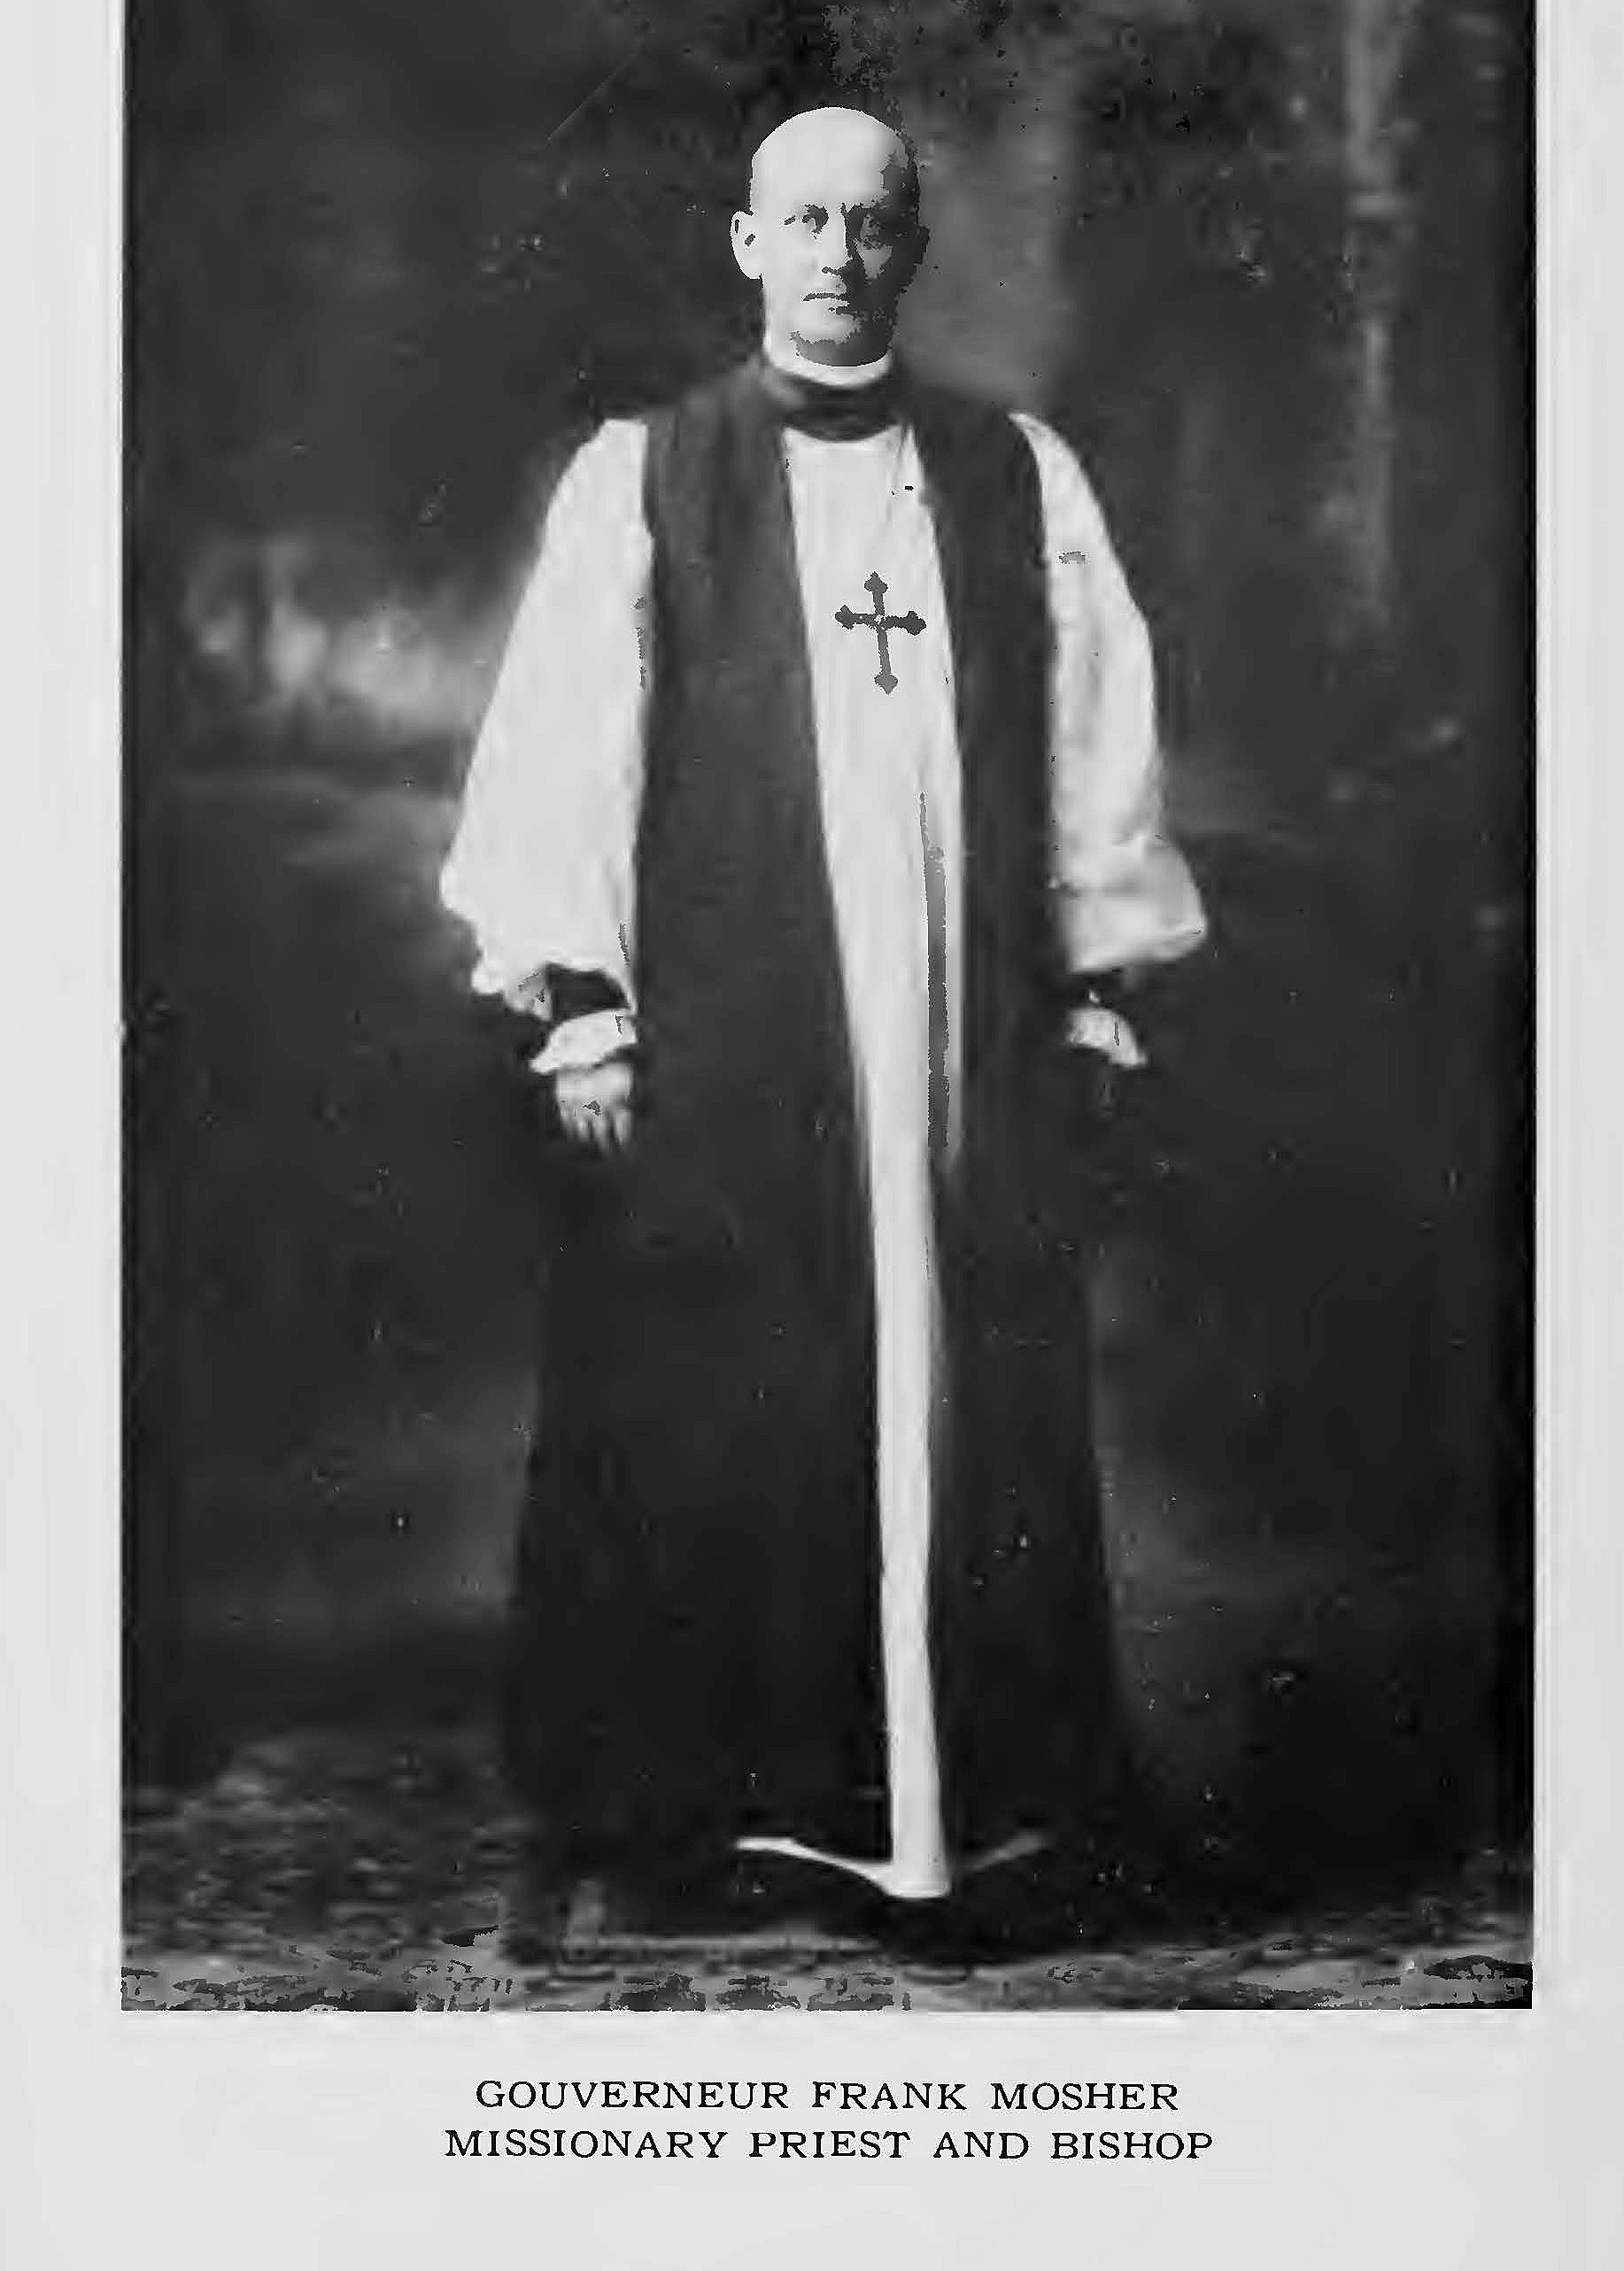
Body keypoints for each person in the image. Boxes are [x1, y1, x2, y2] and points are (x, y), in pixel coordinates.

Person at [439, 101, 1207, 1946]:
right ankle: (729, 1814)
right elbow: (565, 743)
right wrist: (586, 1004)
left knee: (965, 1398)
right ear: (747, 243)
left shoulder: (1017, 473)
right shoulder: (647, 475)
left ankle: (961, 1815)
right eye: (805, 222)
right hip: (739, 1031)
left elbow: (1096, 737)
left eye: (873, 224)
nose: (840, 258)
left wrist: (1097, 983)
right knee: (731, 1400)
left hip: (963, 1030)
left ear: (912, 247)